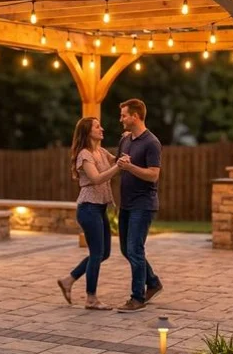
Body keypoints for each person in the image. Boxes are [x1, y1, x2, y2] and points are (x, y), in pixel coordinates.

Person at [57, 117, 120, 310]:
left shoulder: (100, 151)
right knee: (96, 253)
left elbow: (118, 160)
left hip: (98, 208)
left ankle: (68, 280)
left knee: (104, 253)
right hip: (88, 208)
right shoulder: (84, 155)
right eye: (97, 126)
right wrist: (119, 166)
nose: (102, 128)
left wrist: (127, 141)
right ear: (87, 131)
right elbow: (97, 178)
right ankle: (91, 298)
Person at [115, 98, 163, 312]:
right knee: (127, 249)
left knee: (135, 249)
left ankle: (137, 298)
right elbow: (117, 163)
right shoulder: (125, 140)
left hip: (143, 205)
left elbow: (153, 175)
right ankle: (152, 282)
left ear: (135, 116)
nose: (121, 119)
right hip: (126, 204)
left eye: (124, 115)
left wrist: (131, 167)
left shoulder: (152, 142)